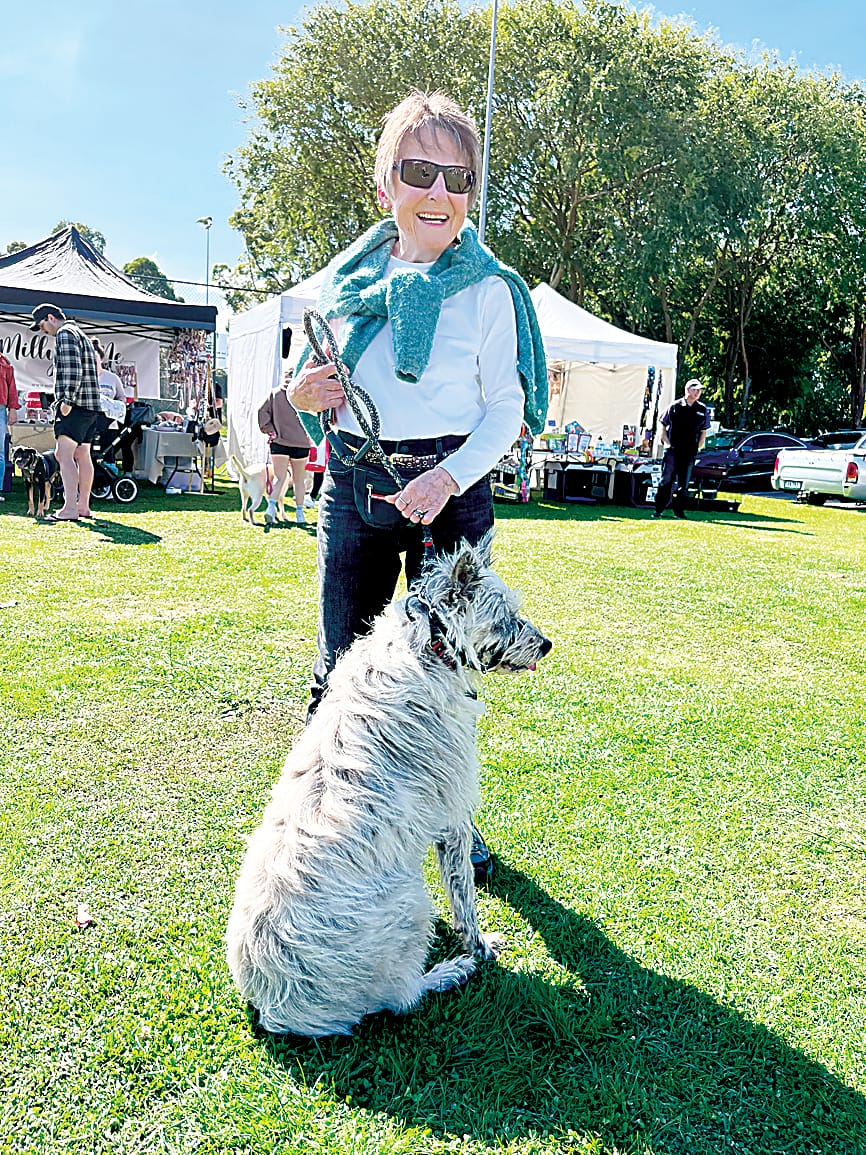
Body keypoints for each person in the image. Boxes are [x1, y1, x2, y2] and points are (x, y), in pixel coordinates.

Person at [288, 89, 548, 878]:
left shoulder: (494, 288)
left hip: (454, 485)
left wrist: (447, 476)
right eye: (419, 171)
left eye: (457, 177)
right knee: (343, 668)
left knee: (449, 670)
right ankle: (327, 827)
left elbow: (507, 408)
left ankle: (448, 817)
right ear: (386, 187)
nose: (439, 192)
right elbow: (306, 386)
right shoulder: (345, 281)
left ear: (471, 193)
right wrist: (303, 397)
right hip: (359, 483)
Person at [30, 303, 101, 521]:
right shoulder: (80, 333)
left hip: (75, 405)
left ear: (51, 318)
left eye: (42, 325)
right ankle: (83, 506)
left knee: (63, 455)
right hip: (90, 406)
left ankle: (70, 508)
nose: (43, 330)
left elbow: (72, 369)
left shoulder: (65, 334)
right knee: (83, 455)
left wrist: (67, 400)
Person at [258, 368, 312, 526]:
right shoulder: (304, 395)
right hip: (301, 442)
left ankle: (270, 507)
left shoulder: (274, 394)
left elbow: (262, 412)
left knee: (279, 478)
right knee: (299, 480)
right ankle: (300, 513)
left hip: (279, 442)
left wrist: (270, 430)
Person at [652, 378, 710, 519]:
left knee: (683, 484)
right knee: (666, 481)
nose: (697, 393)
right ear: (687, 390)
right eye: (695, 389)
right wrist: (666, 442)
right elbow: (662, 423)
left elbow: (704, 430)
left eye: (699, 390)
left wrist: (700, 445)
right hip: (673, 450)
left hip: (689, 451)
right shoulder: (675, 406)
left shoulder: (702, 410)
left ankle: (679, 512)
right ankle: (659, 510)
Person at [92, 339, 134, 472]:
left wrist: (117, 405)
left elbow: (122, 397)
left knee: (108, 454)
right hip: (90, 424)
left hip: (111, 424)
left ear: (101, 359)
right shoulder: (84, 378)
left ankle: (108, 481)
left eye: (95, 358)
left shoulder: (112, 378)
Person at [0, 352, 21, 503]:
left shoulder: (4, 363)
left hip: (0, 409)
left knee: (0, 452)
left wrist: (12, 409)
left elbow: (11, 388)